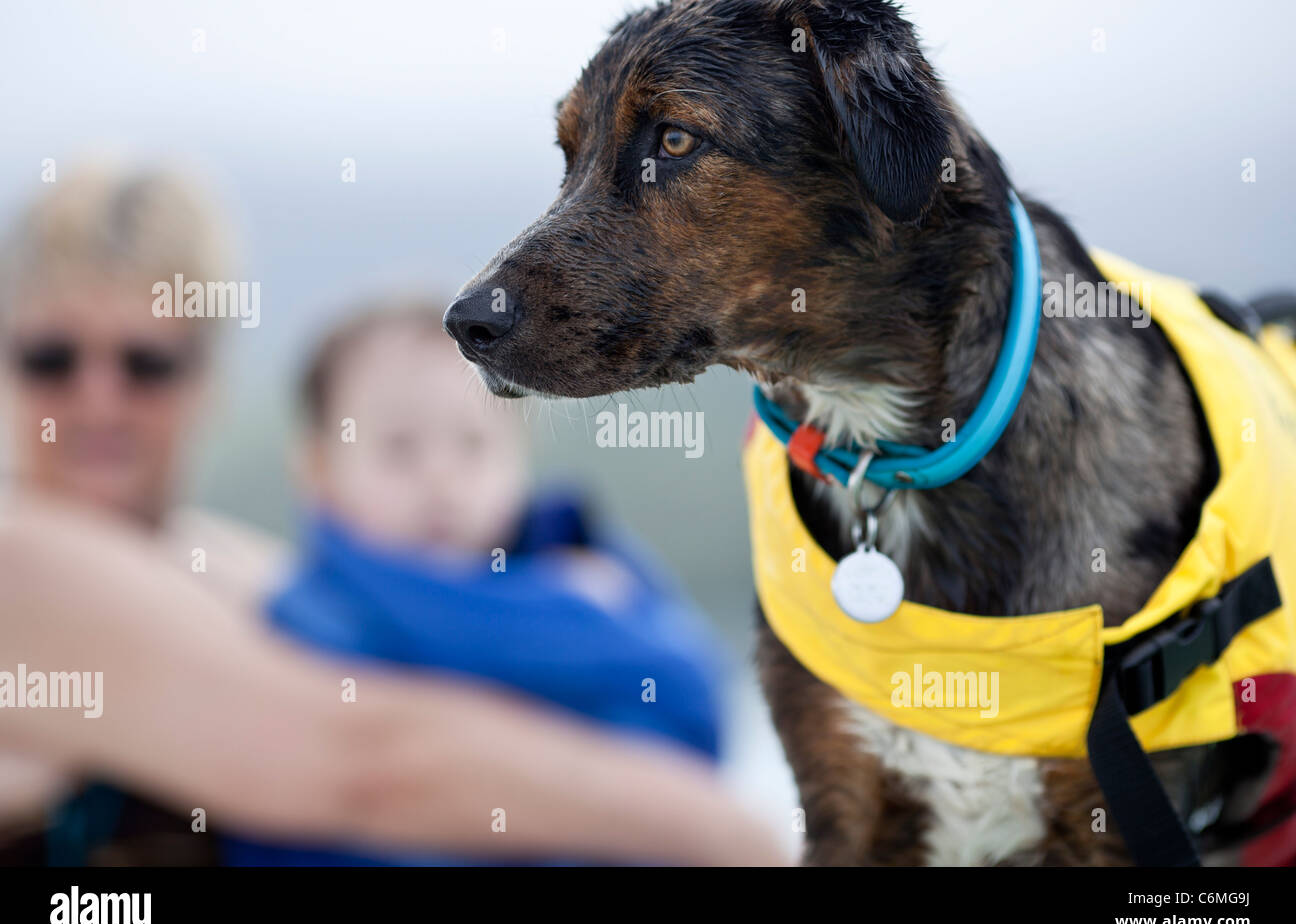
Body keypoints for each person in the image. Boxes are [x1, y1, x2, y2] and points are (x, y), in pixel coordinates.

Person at [0, 165, 786, 866]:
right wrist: (728, 835)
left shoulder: (233, 569)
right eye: (52, 359)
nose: (96, 399)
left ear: (207, 380)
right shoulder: (16, 561)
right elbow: (360, 762)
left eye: (146, 363)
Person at [224, 302, 724, 864]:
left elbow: (691, 704)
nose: (441, 477)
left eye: (473, 444)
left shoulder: (591, 572)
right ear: (317, 469)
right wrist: (567, 613)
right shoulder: (308, 621)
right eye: (399, 447)